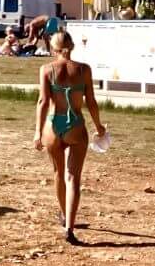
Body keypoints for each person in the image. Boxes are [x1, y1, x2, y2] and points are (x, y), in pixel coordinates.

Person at [34, 30, 106, 244]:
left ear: (52, 48)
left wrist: (37, 131)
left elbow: (43, 102)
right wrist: (99, 126)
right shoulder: (84, 70)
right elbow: (91, 101)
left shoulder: (46, 69)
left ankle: (64, 214)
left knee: (58, 173)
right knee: (73, 177)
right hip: (75, 124)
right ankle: (69, 227)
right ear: (72, 46)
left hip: (53, 125)